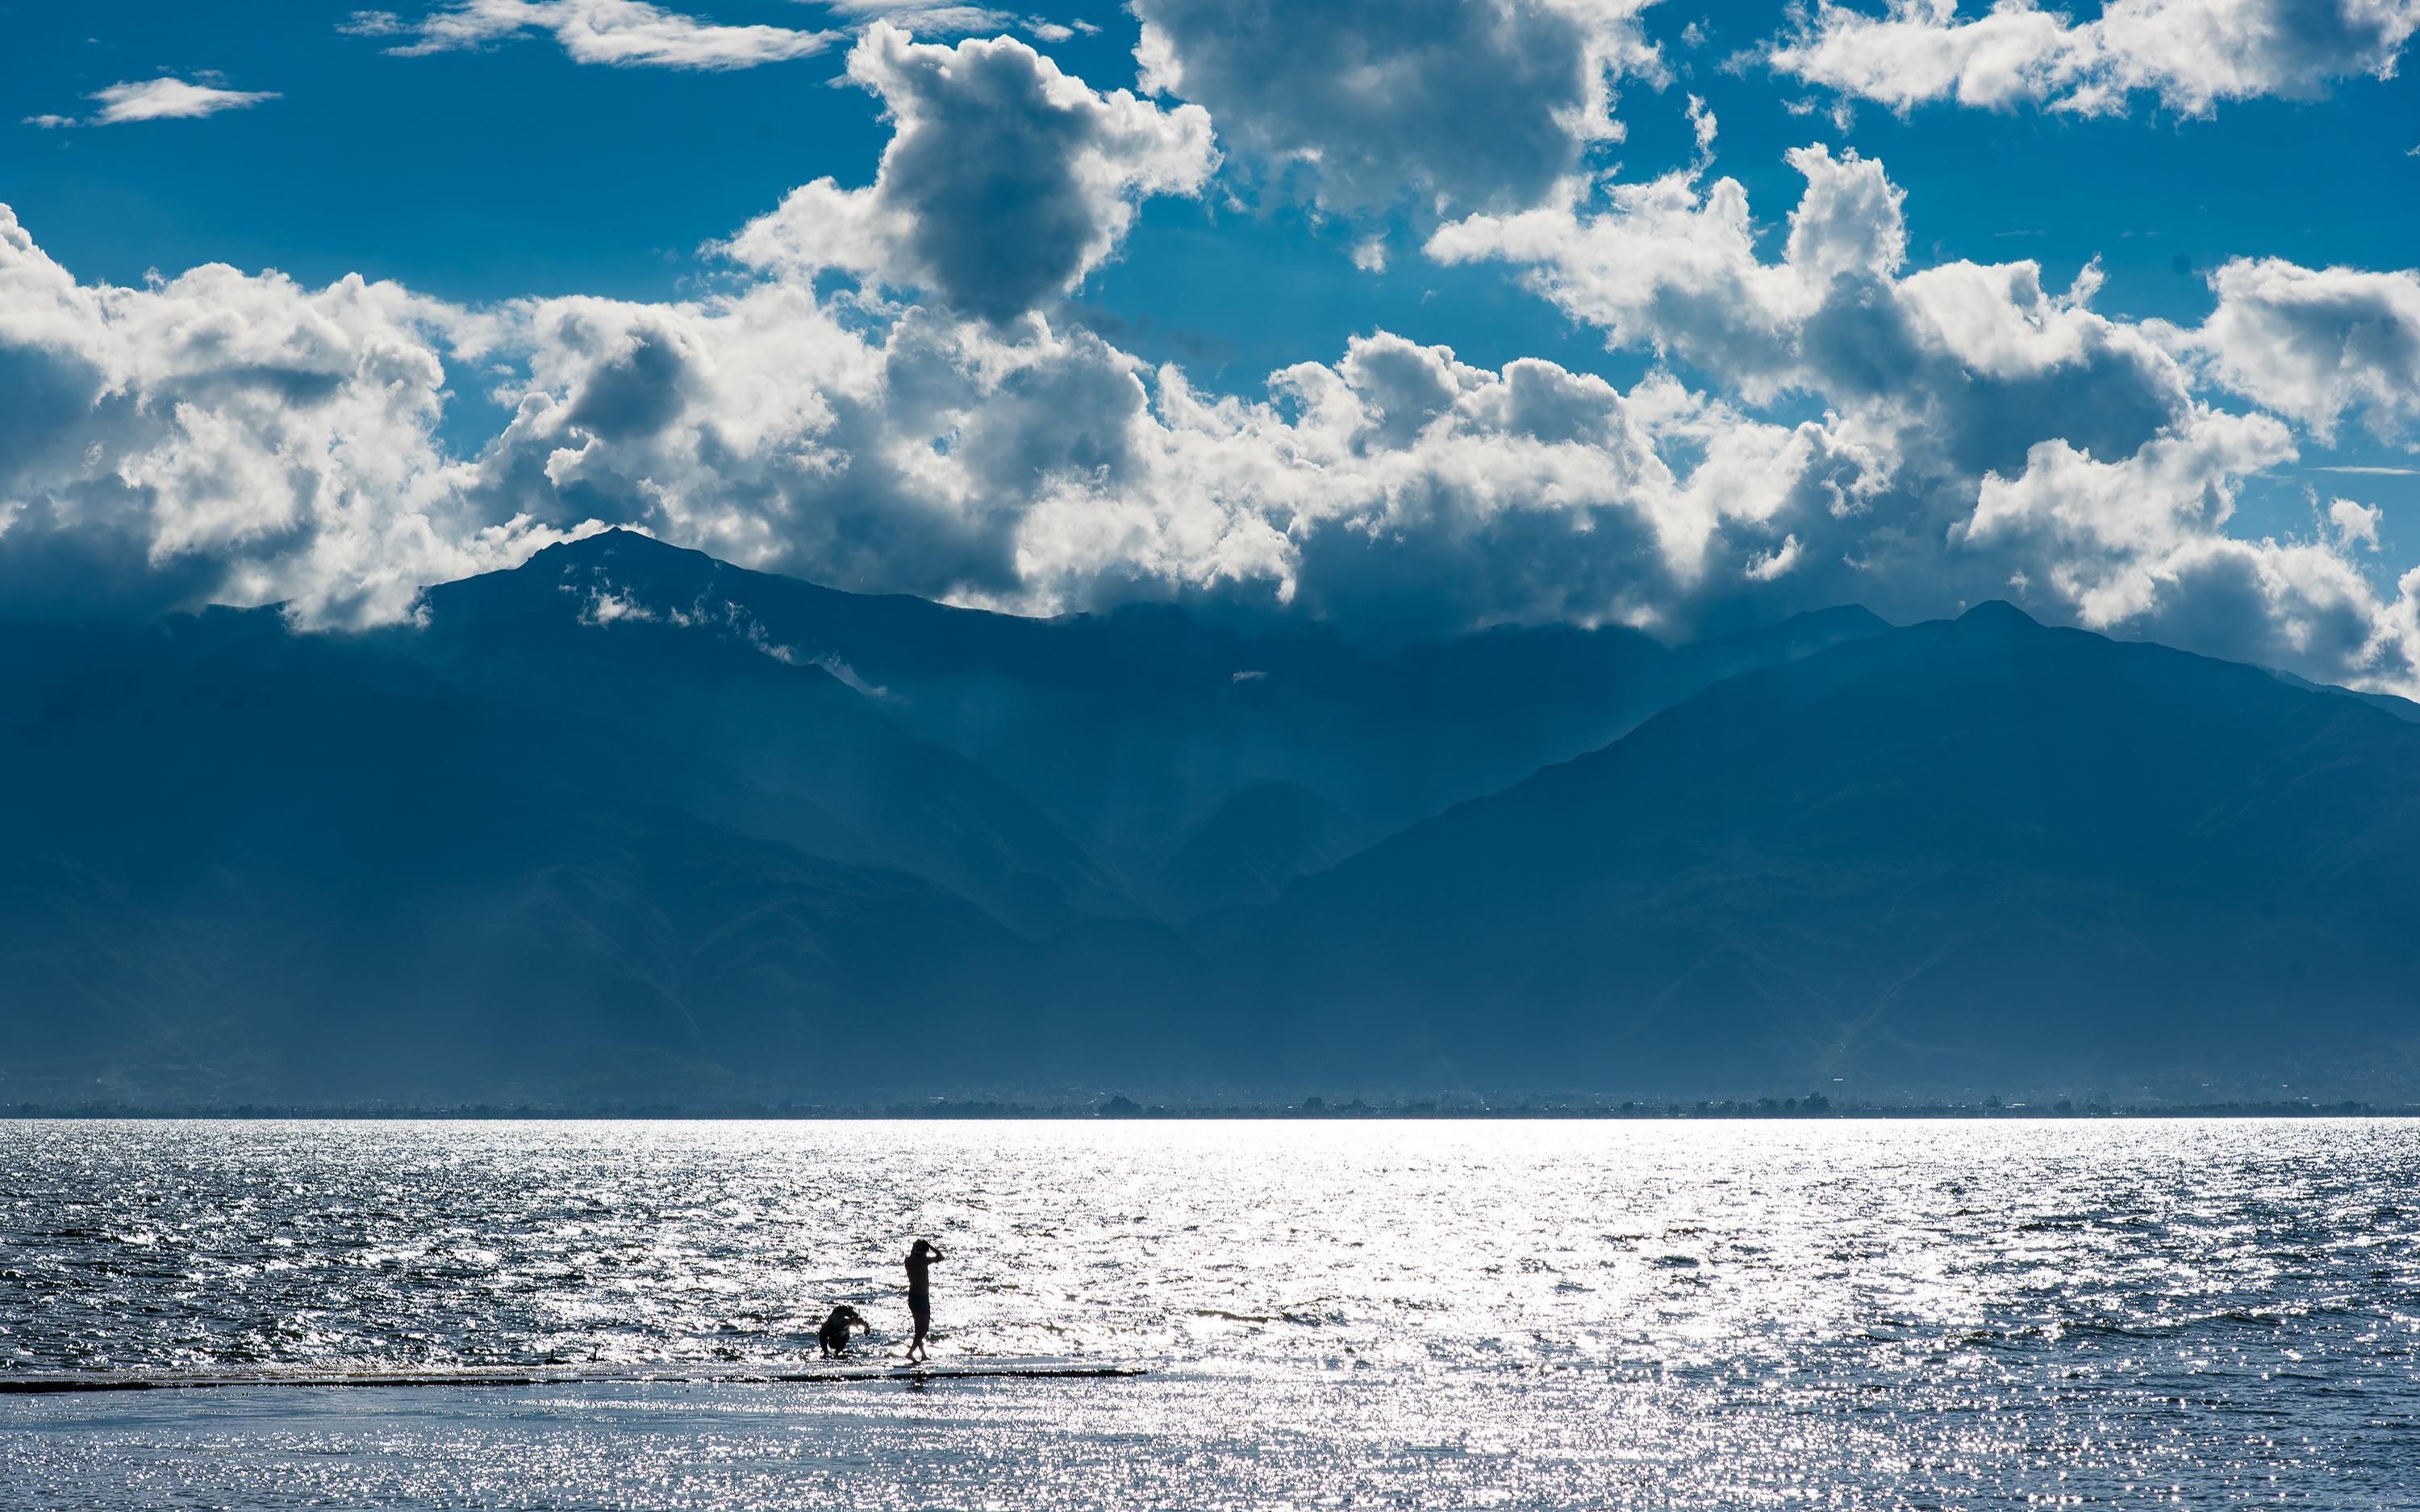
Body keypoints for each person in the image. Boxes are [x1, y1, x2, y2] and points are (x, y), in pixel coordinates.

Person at [903, 1238, 945, 1362]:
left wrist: (917, 1247)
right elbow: (940, 1257)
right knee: (924, 1328)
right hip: (922, 1298)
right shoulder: (923, 1260)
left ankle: (923, 1354)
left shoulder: (909, 1260)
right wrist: (931, 1246)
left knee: (918, 1329)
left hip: (913, 1297)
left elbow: (912, 1255)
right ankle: (910, 1353)